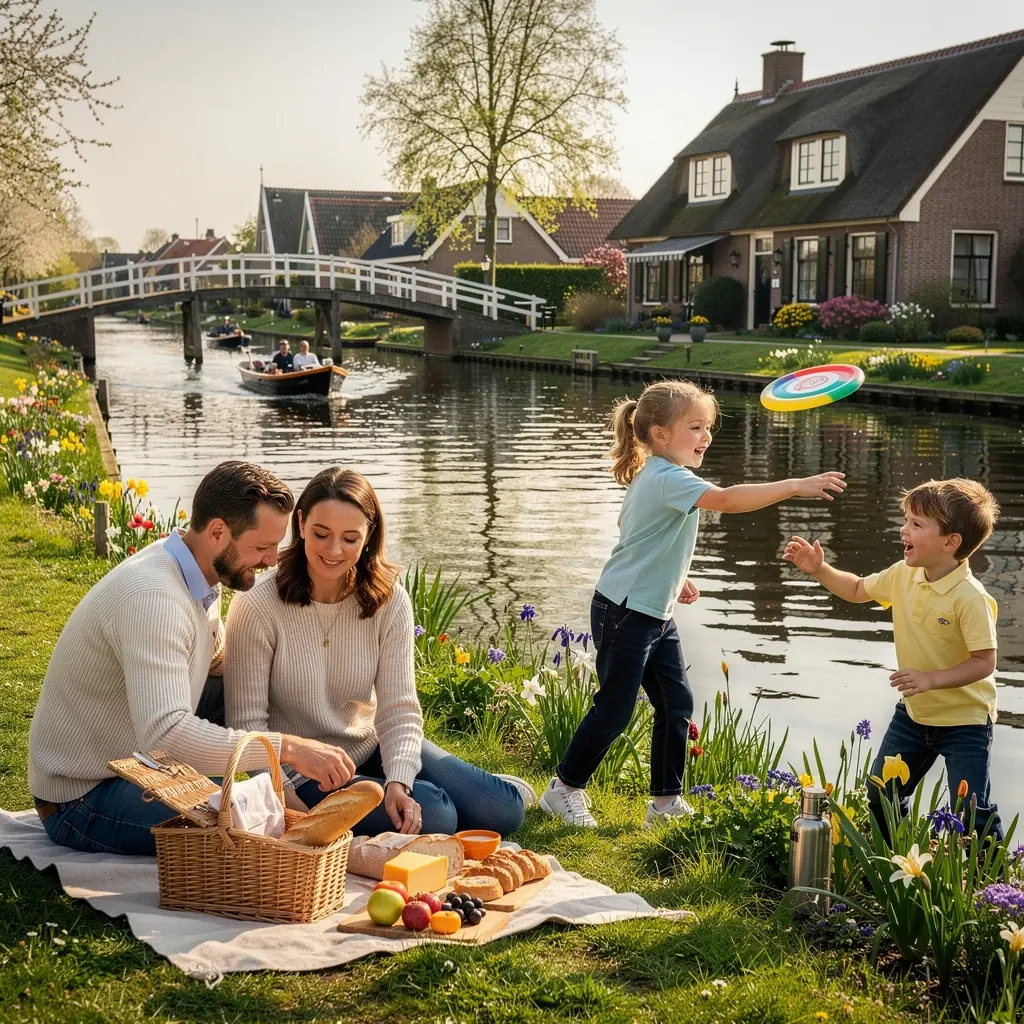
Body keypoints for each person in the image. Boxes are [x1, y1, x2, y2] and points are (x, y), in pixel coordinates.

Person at [536, 379, 847, 829]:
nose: (707, 437)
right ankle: (563, 789)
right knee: (616, 707)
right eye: (696, 427)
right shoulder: (667, 476)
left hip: (651, 608)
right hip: (626, 611)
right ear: (661, 434)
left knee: (676, 704)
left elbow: (641, 536)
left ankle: (664, 804)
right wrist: (795, 484)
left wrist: (676, 578)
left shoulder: (661, 476)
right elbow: (727, 499)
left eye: (709, 428)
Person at [28, 461, 358, 855]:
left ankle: (311, 780)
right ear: (218, 532)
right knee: (252, 827)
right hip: (83, 795)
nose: (272, 560)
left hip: (135, 758)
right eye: (261, 546)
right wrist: (288, 748)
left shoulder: (198, 572)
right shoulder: (155, 599)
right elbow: (166, 734)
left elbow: (212, 659)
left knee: (250, 791)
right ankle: (299, 795)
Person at [224, 466, 533, 836]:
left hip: (369, 744)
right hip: (303, 774)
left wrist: (398, 782)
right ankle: (440, 794)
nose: (334, 550)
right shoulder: (257, 607)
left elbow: (399, 707)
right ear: (302, 522)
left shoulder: (389, 600)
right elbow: (246, 726)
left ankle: (440, 786)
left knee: (504, 811)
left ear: (369, 534)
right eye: (322, 534)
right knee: (436, 814)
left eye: (350, 538)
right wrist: (287, 798)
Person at [783, 478, 1002, 840]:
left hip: (966, 722)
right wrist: (820, 570)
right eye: (907, 520)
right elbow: (856, 589)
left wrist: (931, 679)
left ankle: (988, 887)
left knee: (971, 811)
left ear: (951, 542)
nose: (904, 529)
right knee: (882, 792)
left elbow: (984, 662)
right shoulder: (905, 574)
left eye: (916, 524)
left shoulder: (970, 597)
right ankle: (891, 865)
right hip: (915, 715)